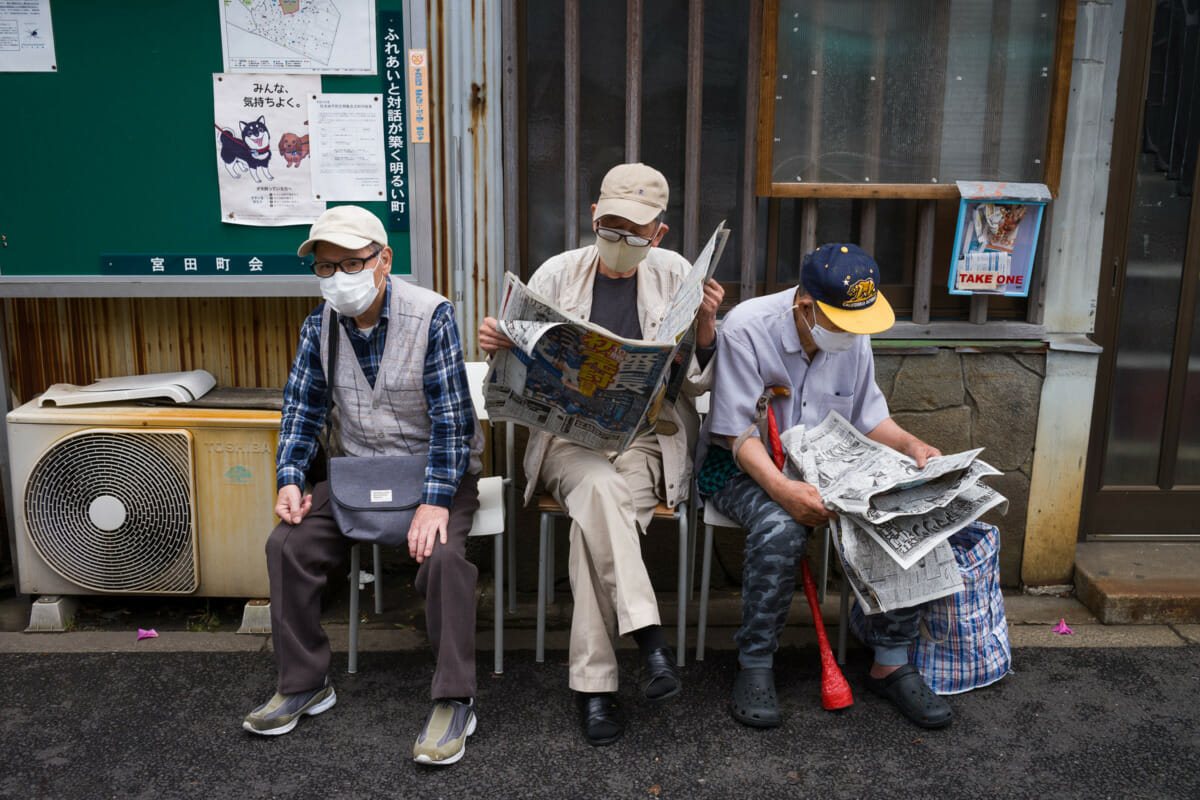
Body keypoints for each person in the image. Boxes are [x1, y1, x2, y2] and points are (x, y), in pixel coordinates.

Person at [479, 163, 724, 745]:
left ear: (658, 235)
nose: (620, 243)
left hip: (645, 438)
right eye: (611, 228)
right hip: (569, 441)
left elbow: (697, 387)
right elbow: (512, 380)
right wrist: (499, 346)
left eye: (635, 234)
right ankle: (649, 641)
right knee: (597, 490)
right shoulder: (558, 273)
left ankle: (597, 689)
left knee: (593, 520)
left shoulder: (677, 277)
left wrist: (707, 328)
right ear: (593, 216)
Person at [242, 205, 486, 766]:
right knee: (287, 543)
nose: (339, 279)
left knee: (444, 559)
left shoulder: (433, 316)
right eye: (326, 268)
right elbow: (303, 413)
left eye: (352, 264)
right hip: (360, 476)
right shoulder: (319, 326)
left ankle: (455, 699)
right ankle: (304, 682)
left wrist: (435, 502)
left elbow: (453, 421)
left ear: (384, 261)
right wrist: (290, 479)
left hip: (436, 475)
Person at [697, 242, 953, 729]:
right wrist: (782, 490)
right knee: (780, 526)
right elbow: (736, 433)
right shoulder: (748, 327)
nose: (851, 335)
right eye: (838, 322)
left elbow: (870, 418)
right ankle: (755, 663)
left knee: (903, 508)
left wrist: (912, 446)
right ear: (805, 305)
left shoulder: (853, 329)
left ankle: (891, 660)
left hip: (831, 465)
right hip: (744, 463)